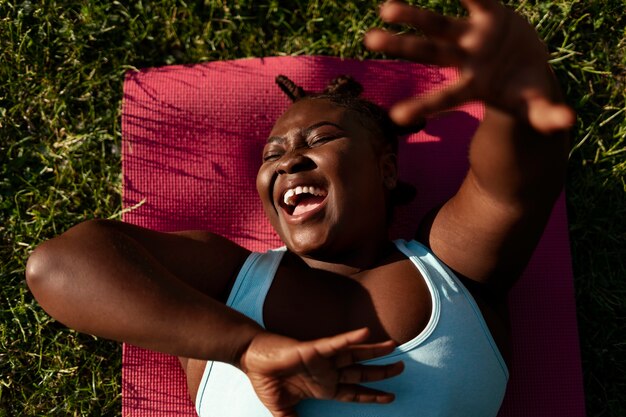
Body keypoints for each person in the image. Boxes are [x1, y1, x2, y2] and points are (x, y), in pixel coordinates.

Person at [25, 0, 574, 416]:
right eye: (273, 155)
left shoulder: (451, 266)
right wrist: (247, 348)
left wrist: (517, 91)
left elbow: (513, 184)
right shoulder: (226, 284)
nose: (289, 161)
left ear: (386, 168)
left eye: (320, 139)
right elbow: (58, 265)